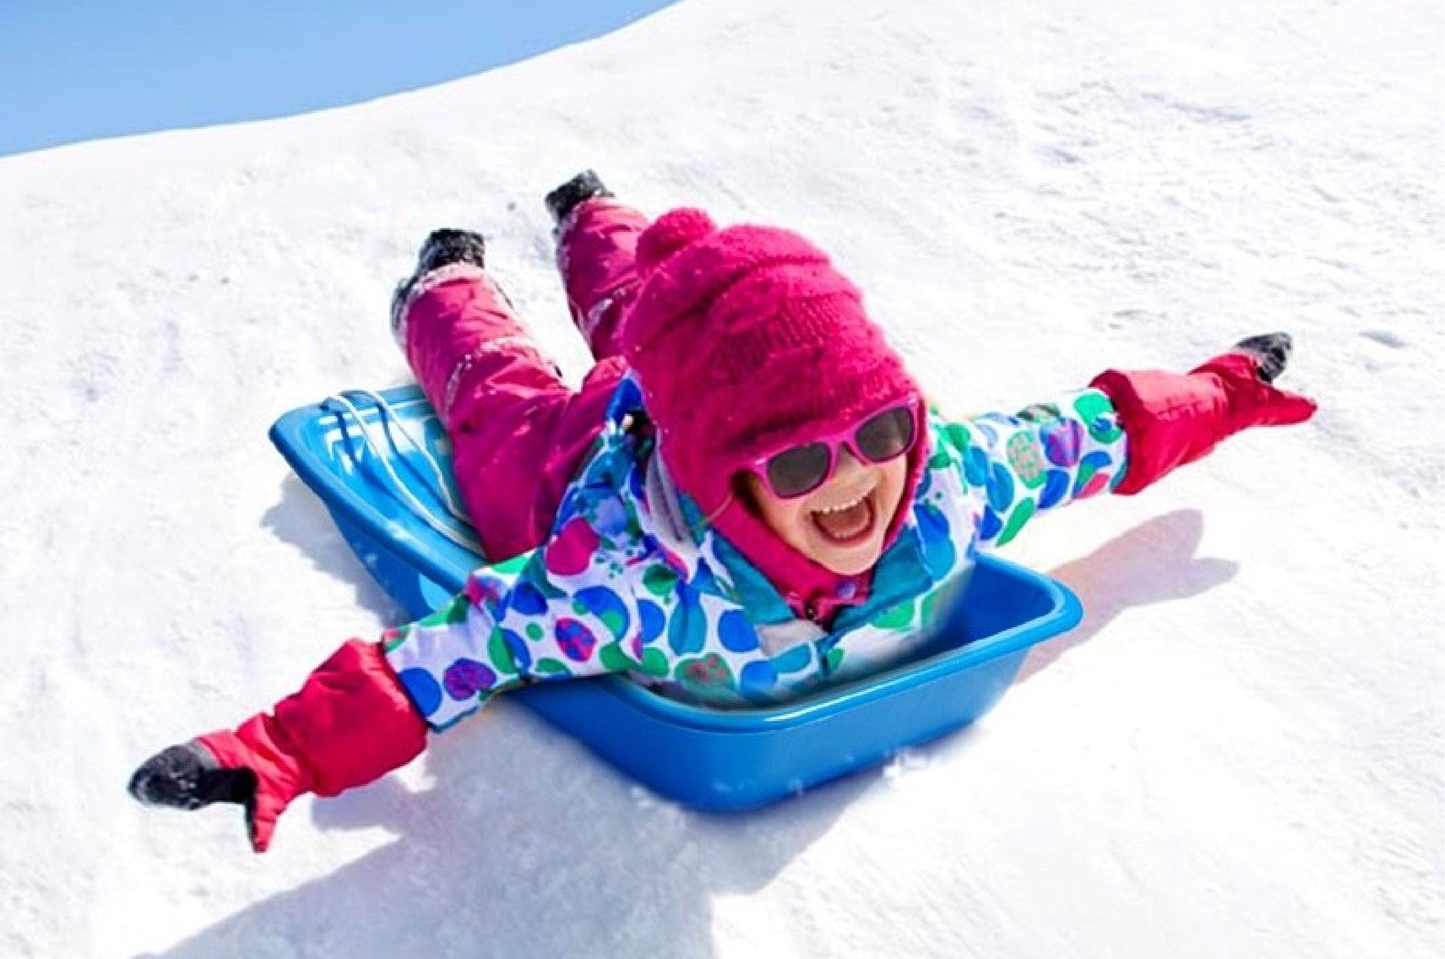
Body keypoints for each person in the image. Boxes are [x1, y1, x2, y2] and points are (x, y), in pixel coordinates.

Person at [128, 171, 1317, 851]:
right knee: (498, 394)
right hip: (561, 470)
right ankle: (443, 281)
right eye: (799, 468)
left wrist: (1224, 387)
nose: (853, 484)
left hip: (680, 406)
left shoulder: (941, 484)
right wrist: (281, 745)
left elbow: (1090, 434)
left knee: (656, 302)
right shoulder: (629, 584)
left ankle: (591, 216)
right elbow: (458, 646)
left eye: (881, 433)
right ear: (726, 476)